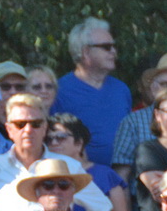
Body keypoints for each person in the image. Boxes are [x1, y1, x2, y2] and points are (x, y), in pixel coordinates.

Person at [51, 17, 131, 167]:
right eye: (106, 47)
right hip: (77, 175)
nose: (113, 51)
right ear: (86, 52)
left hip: (121, 176)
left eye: (114, 46)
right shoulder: (60, 91)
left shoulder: (121, 90)